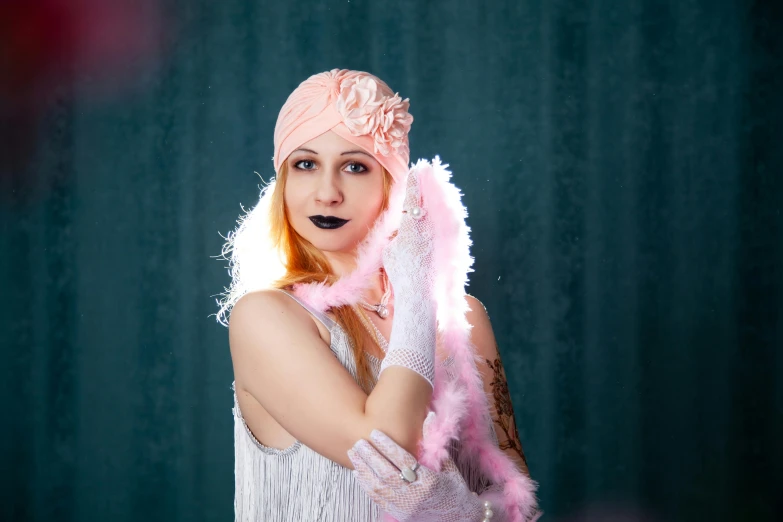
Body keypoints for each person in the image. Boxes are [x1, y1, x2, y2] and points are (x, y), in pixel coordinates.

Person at [217, 69, 540, 522]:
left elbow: (515, 500)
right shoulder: (265, 317)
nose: (327, 193)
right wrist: (415, 291)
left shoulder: (463, 319)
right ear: (283, 181)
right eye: (305, 164)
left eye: (355, 166)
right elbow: (386, 444)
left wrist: (466, 512)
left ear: (393, 182)